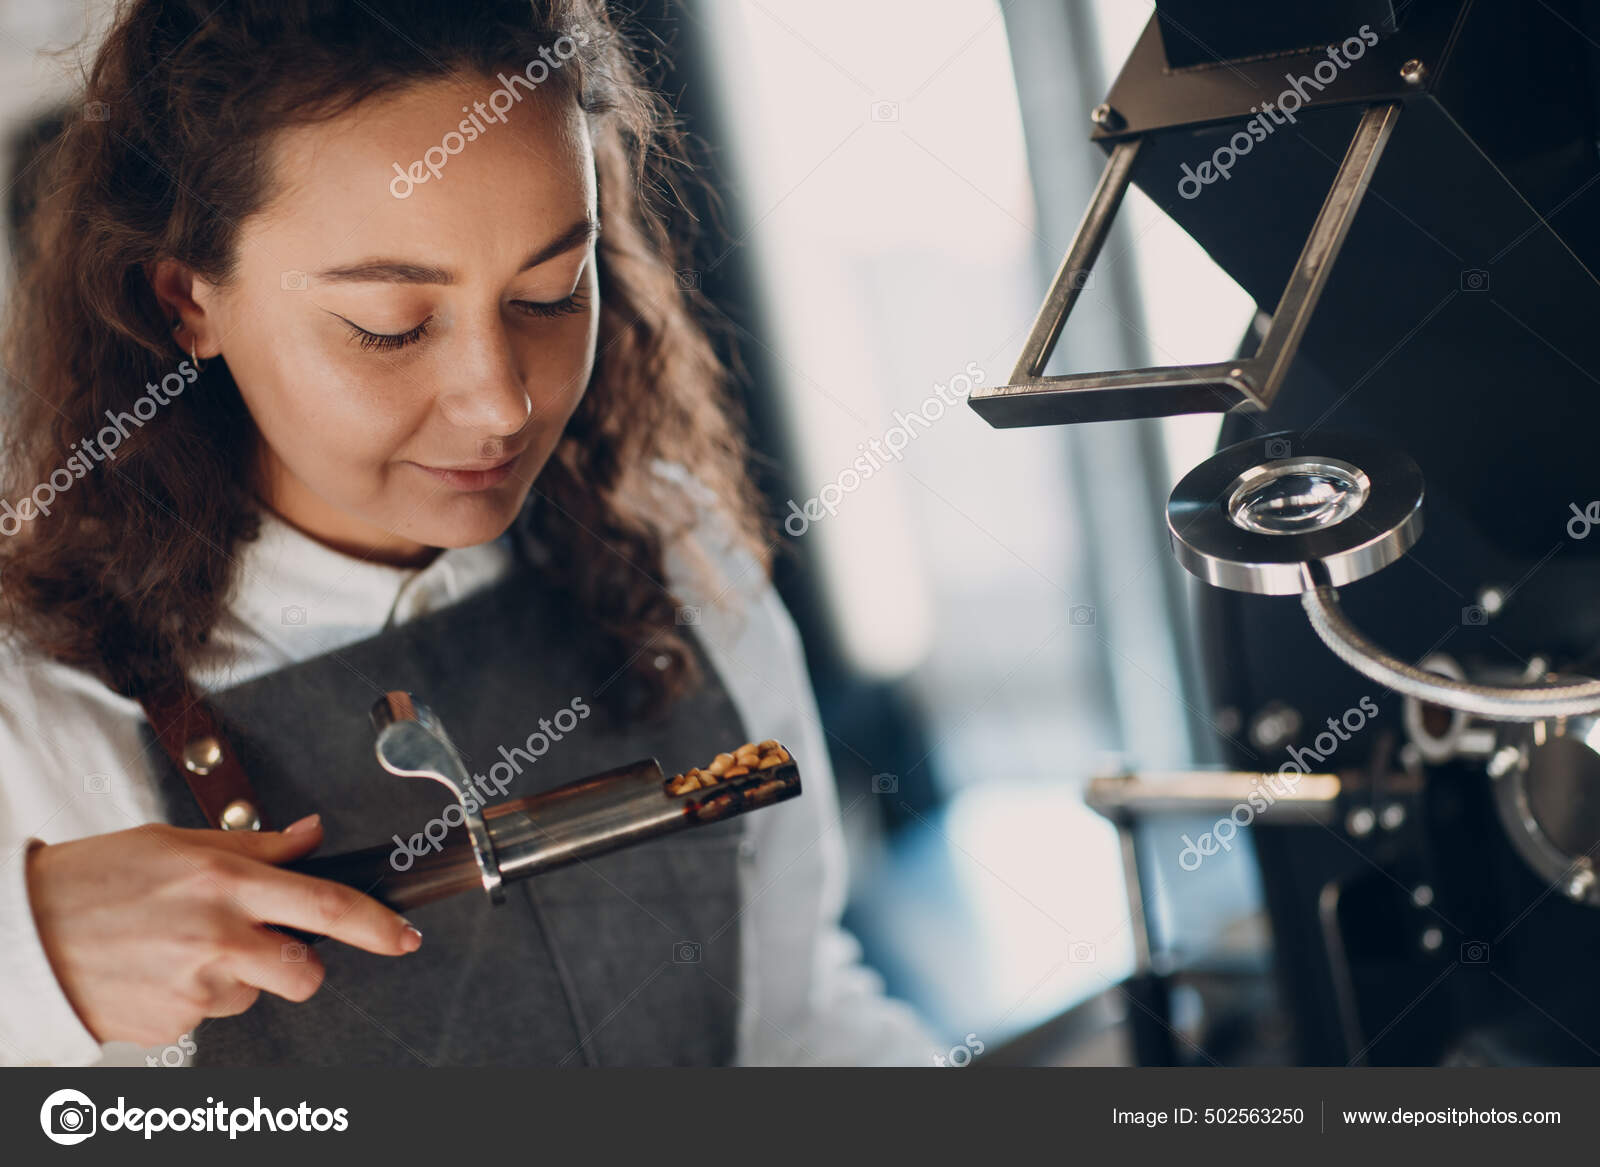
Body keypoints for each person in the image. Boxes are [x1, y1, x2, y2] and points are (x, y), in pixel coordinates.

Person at [0, 0, 932, 1067]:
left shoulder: (668, 548)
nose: (501, 405)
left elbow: (793, 1021)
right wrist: (28, 971)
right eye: (391, 328)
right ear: (188, 304)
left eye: (550, 293)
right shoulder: (38, 718)